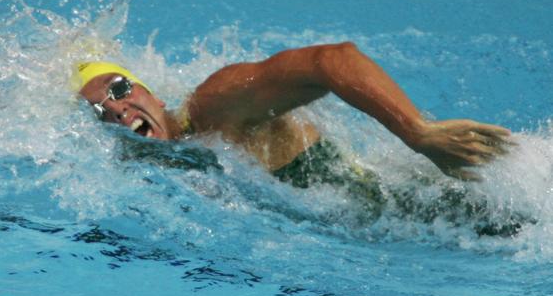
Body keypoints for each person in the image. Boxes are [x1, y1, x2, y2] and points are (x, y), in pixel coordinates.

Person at [72, 42, 512, 185]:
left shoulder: (214, 106)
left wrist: (417, 132)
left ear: (155, 94)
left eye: (120, 89)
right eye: (99, 111)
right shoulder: (164, 164)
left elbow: (331, 59)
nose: (116, 109)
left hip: (432, 203)